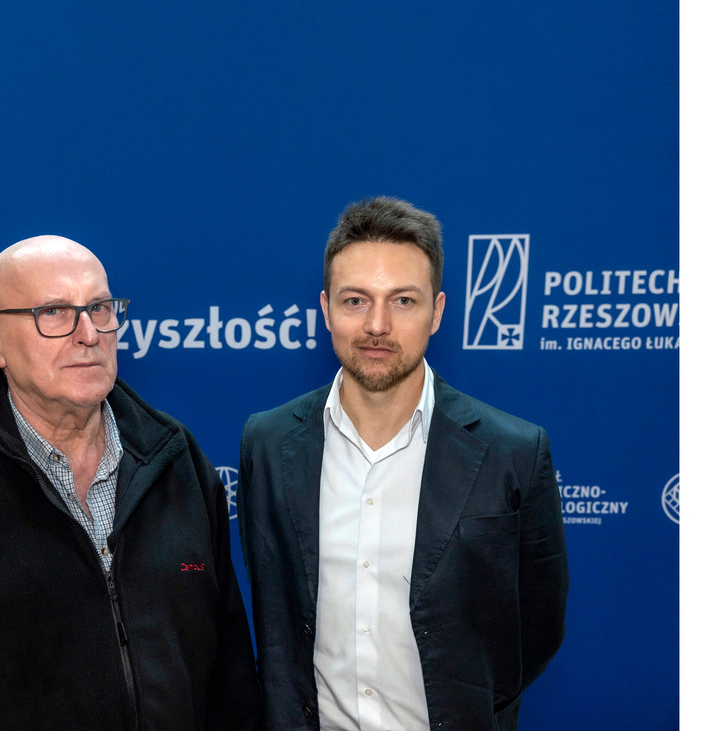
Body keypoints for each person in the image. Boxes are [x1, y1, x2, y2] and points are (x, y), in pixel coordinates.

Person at [0, 235, 260, 730]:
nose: (89, 334)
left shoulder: (175, 458)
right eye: (53, 312)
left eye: (100, 308)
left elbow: (230, 680)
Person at [238, 197, 568, 730]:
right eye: (355, 300)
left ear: (437, 312)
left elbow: (538, 627)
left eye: (403, 301)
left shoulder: (513, 452)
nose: (377, 324)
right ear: (325, 309)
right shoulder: (268, 442)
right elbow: (274, 614)